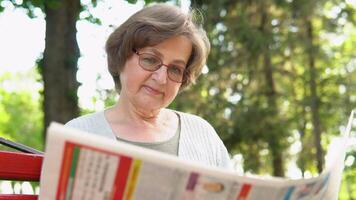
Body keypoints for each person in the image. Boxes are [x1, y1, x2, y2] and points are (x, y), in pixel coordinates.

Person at [66, 3, 231, 169]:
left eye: (175, 69)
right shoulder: (78, 134)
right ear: (121, 56)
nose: (161, 79)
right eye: (150, 60)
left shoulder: (203, 135)